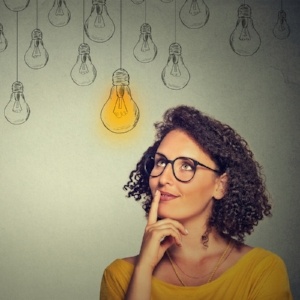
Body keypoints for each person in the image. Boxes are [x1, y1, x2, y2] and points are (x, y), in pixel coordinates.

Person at [100, 105, 293, 300]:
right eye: (160, 162)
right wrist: (143, 269)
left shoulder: (262, 270)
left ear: (221, 186)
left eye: (186, 165)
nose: (163, 178)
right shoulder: (120, 276)